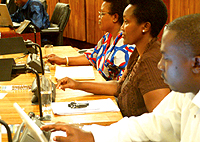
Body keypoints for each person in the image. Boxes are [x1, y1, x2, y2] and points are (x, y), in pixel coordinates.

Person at [40, 12, 200, 142]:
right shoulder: (185, 95)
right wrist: (91, 136)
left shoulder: (151, 63)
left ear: (196, 63)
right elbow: (149, 125)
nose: (160, 65)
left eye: (167, 58)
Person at [53, 0, 170, 118]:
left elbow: (160, 121)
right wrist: (77, 85)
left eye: (126, 22)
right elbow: (119, 87)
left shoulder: (151, 61)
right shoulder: (139, 52)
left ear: (145, 26)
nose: (122, 27)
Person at [44, 0, 135, 81]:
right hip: (99, 86)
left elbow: (118, 87)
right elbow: (93, 56)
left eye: (102, 14)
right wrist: (63, 60)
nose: (99, 17)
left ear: (115, 17)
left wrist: (77, 85)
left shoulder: (124, 45)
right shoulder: (108, 36)